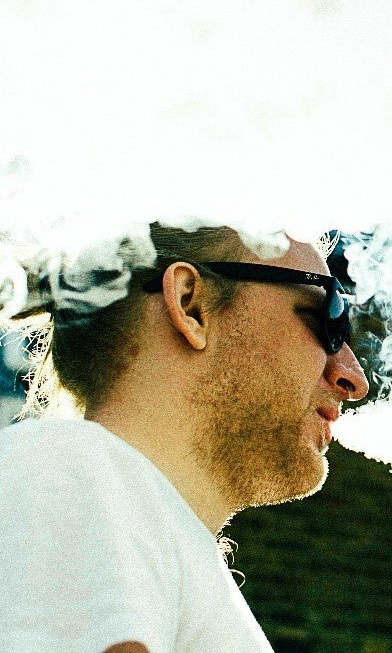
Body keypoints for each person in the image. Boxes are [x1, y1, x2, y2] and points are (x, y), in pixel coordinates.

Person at [0, 224, 370, 653]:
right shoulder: (68, 465)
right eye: (326, 317)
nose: (354, 378)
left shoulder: (157, 536)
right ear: (190, 304)